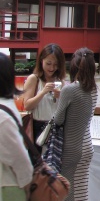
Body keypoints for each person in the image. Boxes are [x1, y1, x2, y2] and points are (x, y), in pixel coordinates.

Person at [54, 48, 98, 201]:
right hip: (87, 144)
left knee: (68, 190)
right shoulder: (93, 89)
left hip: (71, 146)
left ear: (73, 66)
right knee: (81, 189)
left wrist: (58, 99)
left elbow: (58, 119)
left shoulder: (69, 90)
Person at [0, 53, 33, 201]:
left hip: (9, 186)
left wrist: (27, 185)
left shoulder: (2, 115)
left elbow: (18, 156)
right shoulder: (6, 105)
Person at [22, 43, 66, 150]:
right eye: (48, 63)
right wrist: (42, 92)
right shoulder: (34, 79)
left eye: (56, 65)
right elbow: (27, 105)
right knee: (37, 164)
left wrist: (61, 97)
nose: (52, 68)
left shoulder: (60, 81)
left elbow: (64, 109)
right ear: (41, 60)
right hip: (37, 127)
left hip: (55, 128)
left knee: (52, 163)